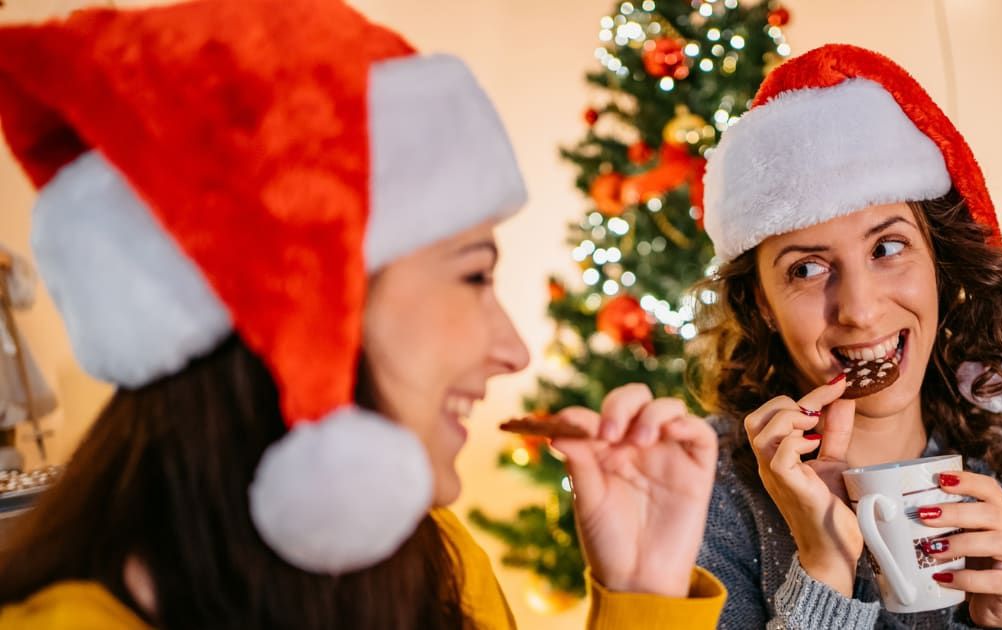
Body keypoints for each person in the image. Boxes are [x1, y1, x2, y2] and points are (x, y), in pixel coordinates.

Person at [0, 1, 724, 628]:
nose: (515, 351)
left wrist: (642, 592)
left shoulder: (434, 562)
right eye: (475, 274)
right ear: (306, 302)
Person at [690, 44, 1002, 629]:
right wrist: (823, 565)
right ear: (763, 305)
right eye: (806, 268)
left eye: (887, 247)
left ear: (936, 259)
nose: (860, 310)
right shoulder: (709, 482)